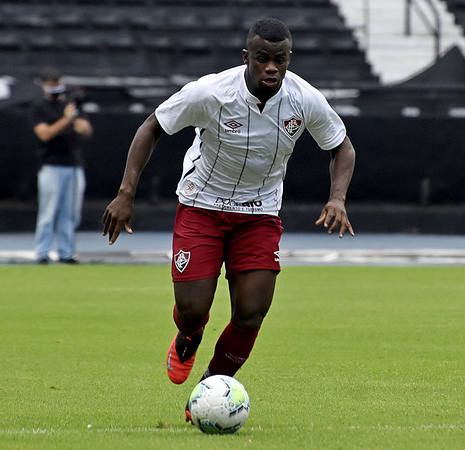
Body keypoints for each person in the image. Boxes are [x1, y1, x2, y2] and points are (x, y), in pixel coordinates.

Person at [102, 18, 356, 421]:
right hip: (202, 207)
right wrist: (125, 193)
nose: (271, 68)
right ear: (246, 58)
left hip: (259, 214)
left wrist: (337, 198)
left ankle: (208, 391)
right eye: (262, 59)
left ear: (289, 60)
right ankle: (189, 336)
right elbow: (152, 127)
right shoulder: (212, 92)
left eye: (280, 60)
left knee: (252, 310)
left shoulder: (304, 98)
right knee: (191, 310)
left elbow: (342, 147)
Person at [29, 67, 93, 264]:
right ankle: (42, 253)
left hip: (73, 165)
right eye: (51, 85)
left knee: (70, 212)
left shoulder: (71, 104)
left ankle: (66, 252)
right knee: (48, 212)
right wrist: (67, 119)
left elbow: (86, 130)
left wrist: (80, 125)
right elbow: (44, 134)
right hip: (51, 165)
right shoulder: (39, 107)